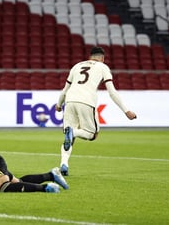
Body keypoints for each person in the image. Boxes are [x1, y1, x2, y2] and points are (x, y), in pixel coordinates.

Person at [55, 46, 137, 176]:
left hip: (69, 100)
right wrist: (126, 110)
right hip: (86, 101)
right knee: (92, 134)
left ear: (90, 57)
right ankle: (73, 132)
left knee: (69, 137)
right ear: (103, 59)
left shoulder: (77, 66)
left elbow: (64, 90)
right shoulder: (103, 67)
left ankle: (63, 165)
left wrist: (59, 105)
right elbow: (112, 92)